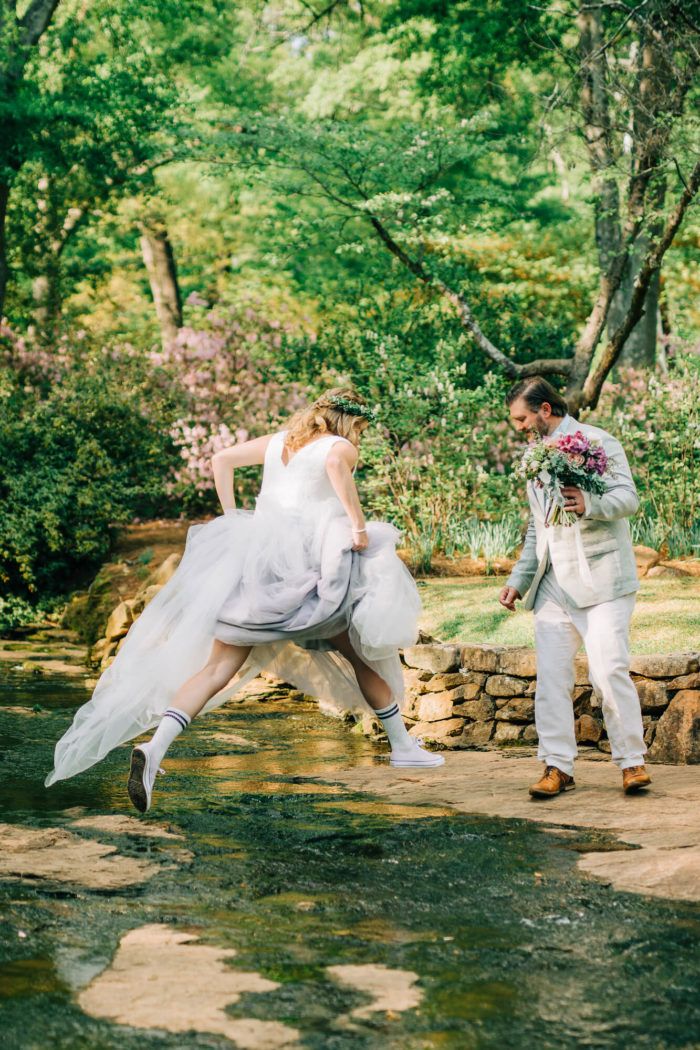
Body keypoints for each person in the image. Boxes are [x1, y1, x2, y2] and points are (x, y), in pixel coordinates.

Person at [46, 388, 444, 811]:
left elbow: (221, 461)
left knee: (217, 666)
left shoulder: (280, 441)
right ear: (349, 421)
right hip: (307, 567)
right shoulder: (339, 446)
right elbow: (332, 464)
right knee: (357, 653)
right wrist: (358, 526)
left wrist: (234, 517)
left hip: (256, 564)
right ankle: (402, 746)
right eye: (361, 428)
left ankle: (156, 747)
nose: (359, 437)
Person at [499, 376, 651, 798]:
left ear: (545, 409)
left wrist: (590, 504)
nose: (519, 427)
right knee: (551, 679)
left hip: (603, 579)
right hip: (553, 587)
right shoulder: (533, 458)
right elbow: (539, 528)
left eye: (522, 418)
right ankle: (557, 766)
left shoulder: (598, 441)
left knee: (608, 671)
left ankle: (631, 762)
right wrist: (519, 579)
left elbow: (628, 498)